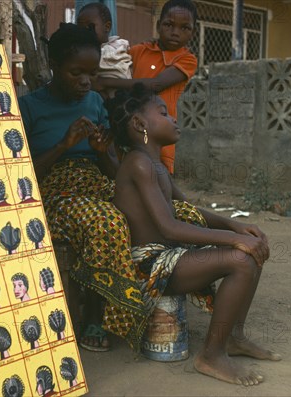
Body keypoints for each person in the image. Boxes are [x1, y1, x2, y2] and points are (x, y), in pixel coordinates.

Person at [107, 84, 281, 385]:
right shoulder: (137, 163)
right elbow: (169, 227)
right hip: (149, 267)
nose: (173, 118)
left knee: (252, 250)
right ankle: (211, 356)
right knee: (241, 258)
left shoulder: (156, 165)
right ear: (139, 124)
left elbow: (188, 209)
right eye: (163, 112)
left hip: (169, 259)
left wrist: (235, 226)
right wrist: (234, 239)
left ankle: (233, 337)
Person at [18, 22, 135, 352]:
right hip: (56, 191)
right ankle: (96, 317)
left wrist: (101, 152)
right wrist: (63, 145)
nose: (86, 82)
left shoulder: (95, 102)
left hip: (94, 182)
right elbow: (22, 174)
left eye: (92, 73)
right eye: (76, 73)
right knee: (105, 221)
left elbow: (113, 170)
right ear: (54, 67)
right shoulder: (29, 107)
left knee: (159, 208)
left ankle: (149, 307)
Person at [94, 0, 198, 174]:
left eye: (184, 28)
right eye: (169, 25)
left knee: (158, 175)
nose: (175, 32)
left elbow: (155, 85)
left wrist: (104, 82)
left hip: (158, 130)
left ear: (193, 33)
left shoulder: (187, 59)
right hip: (128, 125)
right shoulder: (140, 50)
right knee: (125, 172)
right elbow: (119, 70)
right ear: (158, 25)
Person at [76, 2, 132, 99]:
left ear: (107, 27)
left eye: (90, 26)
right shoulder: (83, 53)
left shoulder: (119, 46)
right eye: (80, 27)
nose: (84, 31)